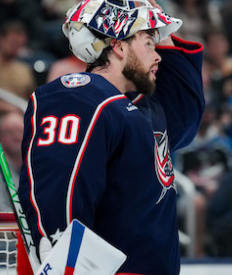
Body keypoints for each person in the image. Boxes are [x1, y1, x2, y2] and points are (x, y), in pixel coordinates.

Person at [17, 0, 204, 273]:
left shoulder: (140, 106)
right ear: (118, 46)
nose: (159, 54)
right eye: (149, 42)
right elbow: (61, 198)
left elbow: (187, 115)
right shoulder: (78, 97)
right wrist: (64, 262)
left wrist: (145, 18)